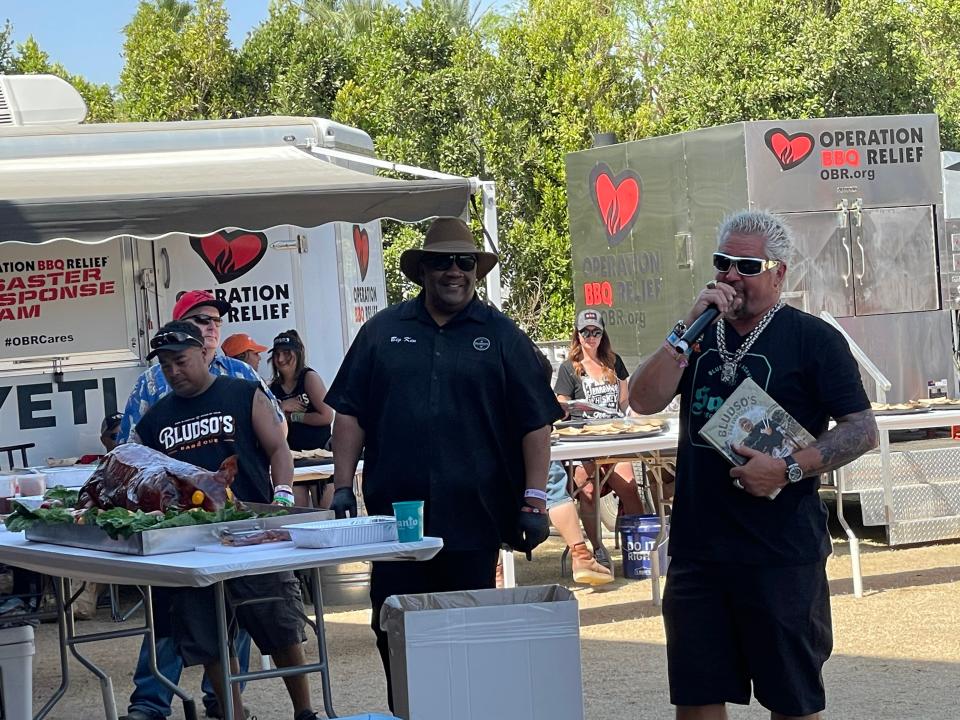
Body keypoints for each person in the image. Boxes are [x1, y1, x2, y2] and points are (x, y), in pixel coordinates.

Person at [628, 210, 878, 720]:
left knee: (791, 701)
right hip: (700, 550)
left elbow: (861, 429)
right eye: (723, 262)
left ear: (779, 272)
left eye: (746, 264)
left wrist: (787, 467)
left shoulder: (812, 339)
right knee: (697, 700)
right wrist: (684, 330)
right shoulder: (694, 338)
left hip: (780, 553)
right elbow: (643, 399)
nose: (731, 275)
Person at [325, 217, 562, 709]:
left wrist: (535, 501)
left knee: (465, 631)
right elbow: (350, 412)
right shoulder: (383, 332)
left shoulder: (501, 336)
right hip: (396, 524)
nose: (454, 270)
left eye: (464, 261)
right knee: (393, 625)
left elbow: (535, 424)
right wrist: (342, 484)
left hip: (472, 518)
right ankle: (406, 712)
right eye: (441, 261)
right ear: (423, 270)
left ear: (475, 269)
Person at [132, 321, 318, 720]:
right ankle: (232, 713)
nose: (173, 371)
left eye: (179, 361)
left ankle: (304, 710)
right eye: (165, 365)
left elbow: (278, 448)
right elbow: (144, 475)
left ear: (203, 353)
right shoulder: (154, 422)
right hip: (189, 544)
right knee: (208, 638)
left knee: (280, 624)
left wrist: (283, 492)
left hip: (251, 533)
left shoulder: (242, 393)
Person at [118, 290, 282, 720]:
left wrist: (277, 492)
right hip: (181, 527)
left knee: (239, 618)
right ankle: (150, 703)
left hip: (241, 520)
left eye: (215, 320)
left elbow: (276, 434)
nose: (210, 326)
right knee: (176, 615)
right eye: (200, 319)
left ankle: (225, 701)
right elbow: (130, 451)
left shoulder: (242, 379)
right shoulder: (153, 385)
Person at [554, 309, 646, 562]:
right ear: (577, 335)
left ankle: (637, 546)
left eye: (596, 332)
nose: (590, 337)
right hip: (583, 442)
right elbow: (560, 406)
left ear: (603, 334)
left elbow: (625, 402)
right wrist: (570, 408)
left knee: (628, 486)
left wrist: (634, 415)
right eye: (585, 332)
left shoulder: (613, 362)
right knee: (588, 489)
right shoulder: (568, 368)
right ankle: (596, 548)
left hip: (613, 438)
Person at [268, 330, 335, 507]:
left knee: (327, 514)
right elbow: (270, 423)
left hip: (320, 456)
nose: (281, 359)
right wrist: (283, 408)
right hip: (293, 460)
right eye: (277, 354)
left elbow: (327, 415)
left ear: (297, 355)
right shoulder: (273, 387)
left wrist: (295, 416)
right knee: (299, 516)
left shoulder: (309, 378)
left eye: (286, 354)